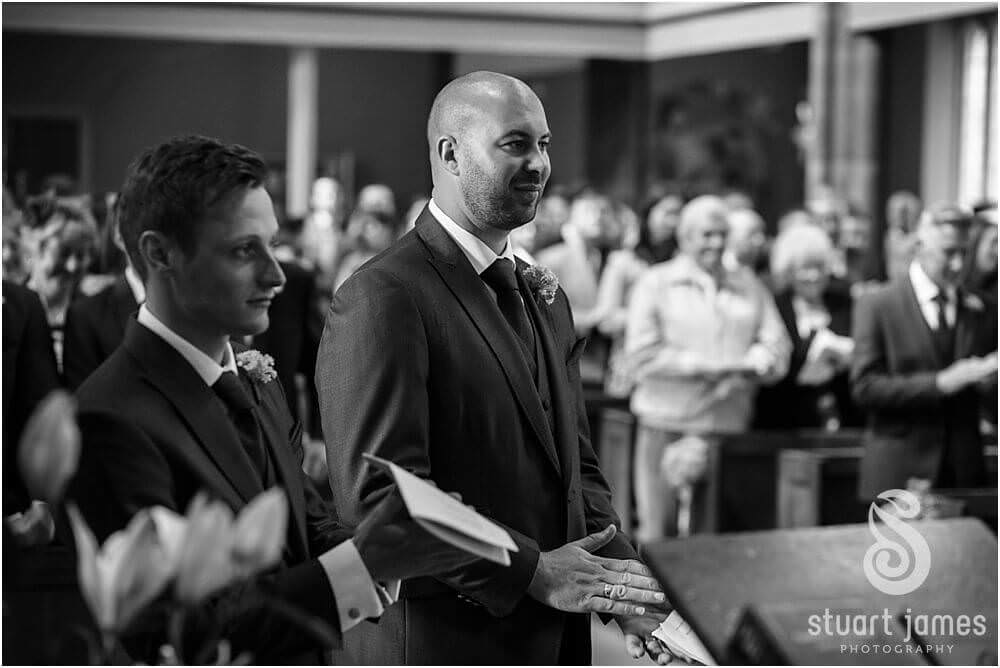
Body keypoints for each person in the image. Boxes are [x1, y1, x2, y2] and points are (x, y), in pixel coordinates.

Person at [67, 136, 476, 663]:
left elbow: (302, 523)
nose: (276, 274)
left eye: (273, 245)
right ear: (158, 253)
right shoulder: (108, 416)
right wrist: (363, 564)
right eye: (244, 250)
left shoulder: (258, 380)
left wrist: (392, 540)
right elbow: (177, 629)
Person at [317, 72, 670, 666]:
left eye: (545, 144)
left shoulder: (543, 295)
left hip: (552, 641)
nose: (538, 163)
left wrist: (627, 595)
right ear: (450, 153)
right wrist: (531, 571)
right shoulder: (385, 294)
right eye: (515, 144)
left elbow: (575, 469)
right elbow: (380, 495)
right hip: (444, 638)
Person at [623, 195, 790, 540]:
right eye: (706, 235)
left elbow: (778, 344)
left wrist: (761, 360)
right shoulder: (657, 282)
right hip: (666, 423)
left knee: (717, 540)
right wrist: (704, 367)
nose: (716, 243)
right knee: (660, 537)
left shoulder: (748, 283)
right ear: (685, 237)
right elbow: (640, 353)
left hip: (726, 427)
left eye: (721, 234)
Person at [851, 203, 998, 498]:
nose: (958, 264)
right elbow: (866, 387)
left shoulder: (983, 308)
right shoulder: (879, 305)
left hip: (962, 473)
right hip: (900, 471)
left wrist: (988, 381)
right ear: (919, 246)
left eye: (964, 253)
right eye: (948, 253)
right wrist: (940, 383)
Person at [753, 223, 860, 430]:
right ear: (789, 271)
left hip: (844, 415)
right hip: (785, 418)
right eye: (805, 268)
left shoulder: (844, 302)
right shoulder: (776, 306)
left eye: (819, 267)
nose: (814, 276)